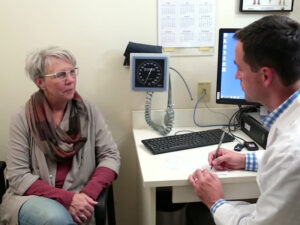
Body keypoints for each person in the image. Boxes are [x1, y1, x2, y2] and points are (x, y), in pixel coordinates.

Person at [189, 15, 300, 225]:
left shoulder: (291, 151)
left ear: (265, 76)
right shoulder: (290, 115)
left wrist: (215, 201)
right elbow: (281, 160)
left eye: (240, 68)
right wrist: (244, 160)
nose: (236, 76)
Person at [0, 46, 121, 225]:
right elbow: (18, 176)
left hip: (80, 197)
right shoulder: (23, 116)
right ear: (40, 82)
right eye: (61, 75)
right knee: (55, 219)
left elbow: (110, 156)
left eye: (73, 72)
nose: (71, 80)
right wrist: (66, 198)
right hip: (32, 199)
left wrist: (87, 194)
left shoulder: (89, 112)